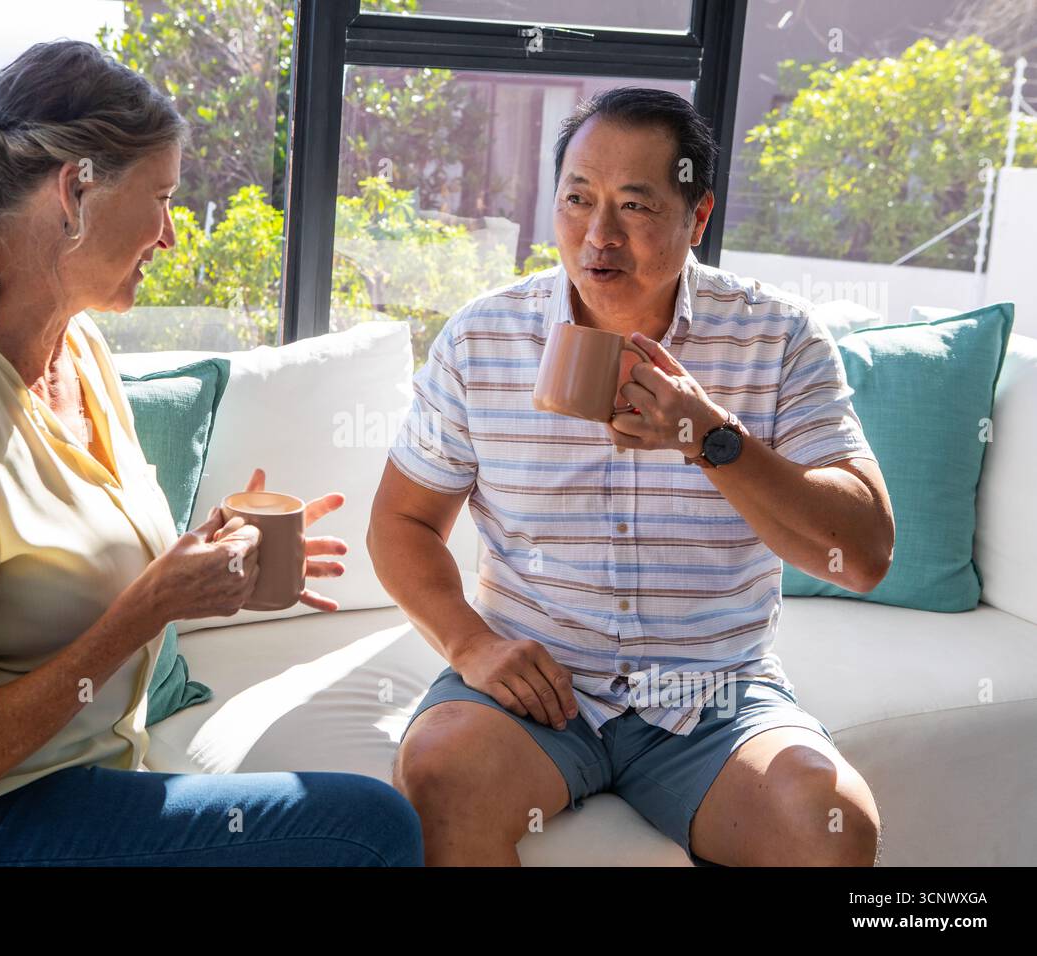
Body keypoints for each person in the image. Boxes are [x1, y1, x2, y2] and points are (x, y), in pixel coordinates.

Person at [0, 40, 423, 867]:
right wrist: (150, 606)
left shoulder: (75, 350)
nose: (168, 234)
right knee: (365, 831)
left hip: (61, 787)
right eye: (159, 198)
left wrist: (210, 564)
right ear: (73, 190)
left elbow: (80, 563)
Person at [368, 87, 894, 867]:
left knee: (832, 824)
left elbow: (863, 555)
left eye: (636, 206)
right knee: (439, 777)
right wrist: (472, 645)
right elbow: (399, 524)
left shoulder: (776, 336)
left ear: (699, 215)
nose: (598, 235)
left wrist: (710, 436)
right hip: (534, 685)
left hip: (711, 694)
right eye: (577, 199)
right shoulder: (484, 338)